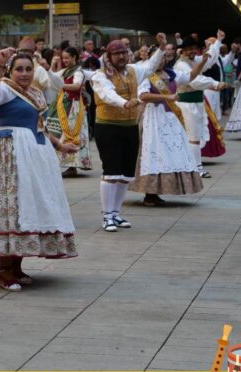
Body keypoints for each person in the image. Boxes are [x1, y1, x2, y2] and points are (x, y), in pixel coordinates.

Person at [0, 47, 78, 291]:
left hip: (34, 153)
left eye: (29, 69)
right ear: (10, 71)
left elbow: (39, 126)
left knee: (27, 207)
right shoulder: (5, 88)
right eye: (19, 69)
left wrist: (60, 145)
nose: (24, 73)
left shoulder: (35, 93)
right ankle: (5, 270)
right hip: (8, 153)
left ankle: (16, 267)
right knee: (11, 206)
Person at [91, 33, 167, 232]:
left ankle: (116, 213)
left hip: (130, 126)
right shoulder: (100, 75)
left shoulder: (133, 70)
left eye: (124, 53)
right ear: (109, 56)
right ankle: (107, 216)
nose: (121, 57)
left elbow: (150, 67)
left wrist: (161, 48)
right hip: (108, 126)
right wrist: (125, 103)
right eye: (117, 54)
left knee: (125, 174)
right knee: (111, 172)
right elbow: (107, 94)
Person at [129, 48, 208, 206]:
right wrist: (166, 96)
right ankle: (150, 193)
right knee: (153, 152)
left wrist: (203, 61)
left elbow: (190, 76)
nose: (161, 61)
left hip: (170, 117)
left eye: (163, 58)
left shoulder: (171, 73)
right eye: (157, 58)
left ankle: (159, 190)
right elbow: (143, 96)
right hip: (153, 117)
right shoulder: (146, 74)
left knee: (170, 153)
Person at [174, 32, 226, 179]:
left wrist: (218, 41)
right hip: (186, 104)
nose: (192, 51)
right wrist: (215, 84)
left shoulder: (193, 61)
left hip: (196, 103)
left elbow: (209, 60)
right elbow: (195, 81)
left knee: (196, 135)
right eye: (189, 49)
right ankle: (197, 167)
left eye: (194, 48)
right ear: (183, 50)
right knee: (193, 137)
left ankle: (190, 165)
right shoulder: (181, 64)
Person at [46, 47, 93, 177]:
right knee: (64, 132)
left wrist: (62, 85)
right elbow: (53, 78)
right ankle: (69, 164)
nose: (65, 60)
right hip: (64, 104)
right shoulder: (65, 71)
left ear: (74, 57)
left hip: (74, 106)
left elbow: (77, 85)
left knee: (72, 132)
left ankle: (73, 165)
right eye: (63, 58)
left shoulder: (78, 71)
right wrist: (51, 66)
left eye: (67, 58)